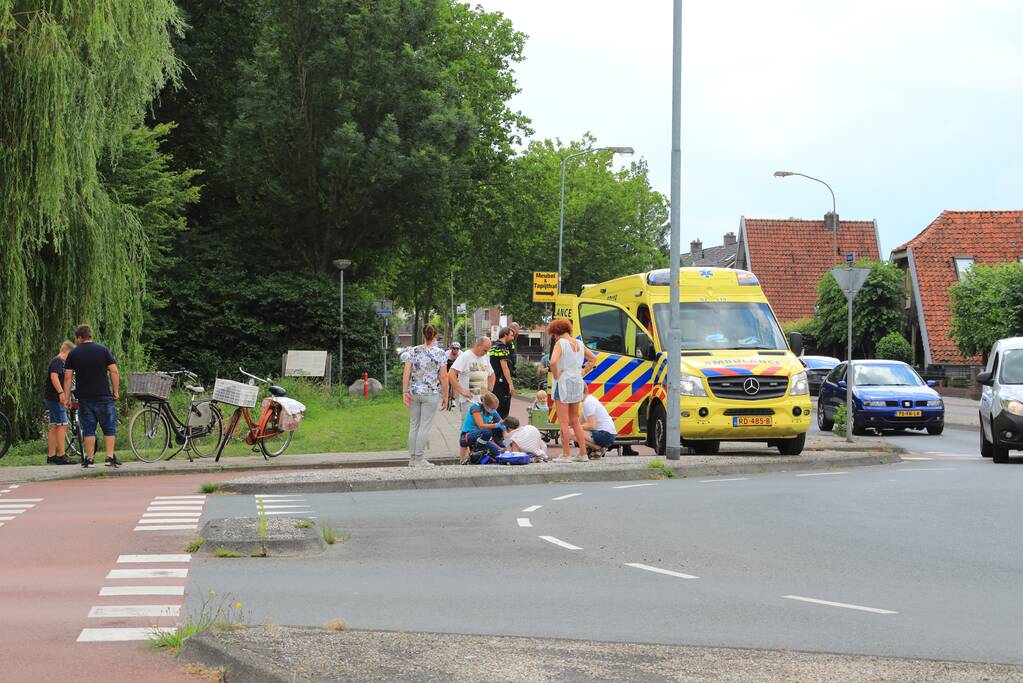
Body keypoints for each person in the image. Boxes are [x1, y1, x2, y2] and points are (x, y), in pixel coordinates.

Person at [63, 324, 120, 468]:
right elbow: (114, 371)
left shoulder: (74, 354)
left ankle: (90, 459)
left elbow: (68, 377)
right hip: (104, 396)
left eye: (76, 338)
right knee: (109, 428)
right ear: (90, 336)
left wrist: (66, 396)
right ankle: (109, 457)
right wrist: (116, 391)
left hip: (85, 398)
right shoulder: (103, 350)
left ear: (80, 338)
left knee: (88, 429)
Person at [548, 318, 596, 462]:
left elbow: (552, 361)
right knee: (575, 420)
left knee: (563, 422)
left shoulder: (560, 343)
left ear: (556, 332)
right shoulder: (579, 344)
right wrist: (581, 373)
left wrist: (556, 375)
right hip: (576, 383)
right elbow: (593, 359)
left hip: (563, 383)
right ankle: (583, 454)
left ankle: (566, 455)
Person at [402, 324, 450, 468]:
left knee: (414, 425)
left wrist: (404, 392)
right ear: (435, 336)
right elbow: (443, 377)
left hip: (414, 392)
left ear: (423, 334)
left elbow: (406, 373)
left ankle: (412, 459)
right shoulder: (440, 353)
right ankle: (419, 459)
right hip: (431, 393)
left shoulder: (413, 351)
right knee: (424, 426)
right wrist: (446, 396)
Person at [449, 336, 495, 462]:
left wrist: (490, 389)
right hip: (468, 401)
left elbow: (492, 374)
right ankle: (463, 459)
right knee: (468, 430)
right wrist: (461, 390)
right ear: (478, 345)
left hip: (482, 402)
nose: (486, 352)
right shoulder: (465, 356)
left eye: (487, 350)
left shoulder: (485, 357)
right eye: (485, 350)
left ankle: (475, 457)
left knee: (481, 429)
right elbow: (451, 373)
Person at [45, 341, 76, 465]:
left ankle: (51, 455)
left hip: (52, 397)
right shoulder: (58, 361)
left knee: (55, 426)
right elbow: (54, 376)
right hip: (56, 398)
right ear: (68, 351)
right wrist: (61, 393)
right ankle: (61, 455)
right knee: (63, 425)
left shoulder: (57, 361)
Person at [458, 392, 507, 464]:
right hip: (467, 435)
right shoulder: (476, 407)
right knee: (487, 431)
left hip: (482, 438)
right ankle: (475, 452)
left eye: (495, 408)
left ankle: (478, 453)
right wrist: (496, 425)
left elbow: (502, 423)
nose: (494, 410)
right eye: (492, 408)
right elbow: (481, 425)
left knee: (499, 454)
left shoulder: (492, 410)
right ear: (484, 404)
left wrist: (505, 434)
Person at [490, 327, 515, 418]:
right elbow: (504, 367)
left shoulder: (494, 346)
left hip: (494, 382)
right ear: (505, 335)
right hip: (502, 384)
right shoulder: (502, 348)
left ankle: (493, 430)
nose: (512, 338)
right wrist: (510, 384)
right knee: (503, 410)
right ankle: (500, 431)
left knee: (494, 408)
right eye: (511, 336)